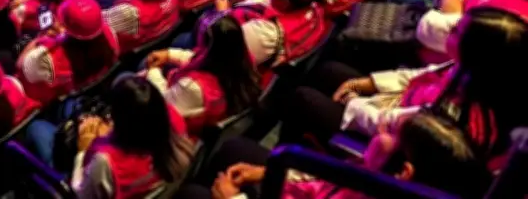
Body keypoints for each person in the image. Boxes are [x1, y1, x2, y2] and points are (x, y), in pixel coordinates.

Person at [280, 0, 528, 163]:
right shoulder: (468, 71)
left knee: (303, 98)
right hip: (397, 105)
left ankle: (282, 167)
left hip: (388, 144)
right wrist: (368, 82)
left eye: (457, 31)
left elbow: (388, 124)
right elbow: (419, 75)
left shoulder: (459, 116)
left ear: (477, 53)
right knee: (328, 71)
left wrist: (353, 101)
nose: (450, 27)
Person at [191, 113, 490, 199]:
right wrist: (269, 174)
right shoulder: (374, 174)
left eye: (391, 132)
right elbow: (323, 182)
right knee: (235, 149)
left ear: (405, 172)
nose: (380, 128)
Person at [72, 75, 195, 198]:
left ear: (117, 118)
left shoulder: (105, 162)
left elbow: (81, 194)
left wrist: (82, 151)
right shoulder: (176, 131)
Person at [146, 15, 261, 137]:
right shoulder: (242, 62)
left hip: (174, 127)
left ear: (211, 49)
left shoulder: (193, 87)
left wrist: (153, 71)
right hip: (197, 104)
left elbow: (162, 104)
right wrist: (169, 54)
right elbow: (197, 57)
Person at [17, 0, 120, 105]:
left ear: (64, 24)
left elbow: (20, 66)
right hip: (103, 93)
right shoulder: (111, 35)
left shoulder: (45, 59)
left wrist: (40, 38)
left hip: (69, 104)